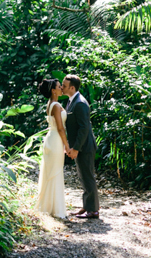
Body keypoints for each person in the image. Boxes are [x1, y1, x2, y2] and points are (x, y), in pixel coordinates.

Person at [63, 74, 100, 219]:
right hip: (80, 146)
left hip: (85, 147)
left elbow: (84, 128)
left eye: (64, 86)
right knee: (83, 176)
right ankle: (87, 206)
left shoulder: (80, 103)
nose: (62, 87)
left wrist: (76, 148)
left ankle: (93, 211)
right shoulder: (71, 101)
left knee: (88, 176)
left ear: (72, 88)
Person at [35, 78, 70, 218]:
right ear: (53, 90)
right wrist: (67, 146)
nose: (61, 87)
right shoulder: (55, 105)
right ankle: (55, 208)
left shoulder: (51, 103)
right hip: (55, 140)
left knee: (52, 172)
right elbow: (61, 128)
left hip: (51, 138)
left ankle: (49, 205)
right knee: (55, 172)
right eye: (58, 86)